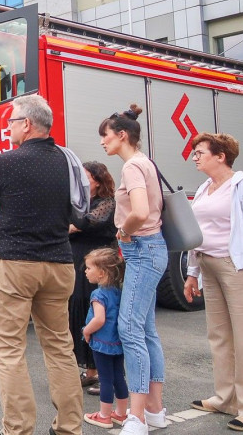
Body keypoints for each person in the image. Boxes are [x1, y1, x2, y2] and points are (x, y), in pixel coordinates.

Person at [0, 94, 83, 435]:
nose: (8, 128)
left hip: (15, 265)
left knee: (8, 350)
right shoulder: (68, 160)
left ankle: (18, 430)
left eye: (11, 121)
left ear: (27, 124)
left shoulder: (6, 162)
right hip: (60, 263)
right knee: (60, 347)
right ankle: (70, 427)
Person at [184, 132, 243, 432]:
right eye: (194, 151)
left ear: (221, 156)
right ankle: (226, 398)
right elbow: (197, 231)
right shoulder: (206, 187)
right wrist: (192, 272)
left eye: (200, 151)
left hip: (237, 267)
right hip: (209, 264)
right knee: (219, 335)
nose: (195, 156)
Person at [99, 104, 167, 435]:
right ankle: (153, 409)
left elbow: (139, 211)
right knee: (146, 330)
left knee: (129, 330)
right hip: (152, 249)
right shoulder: (144, 163)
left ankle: (137, 418)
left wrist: (123, 232)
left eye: (106, 136)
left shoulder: (131, 168)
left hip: (141, 249)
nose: (102, 142)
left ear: (122, 135)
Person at [68, 161, 117, 394]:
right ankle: (90, 371)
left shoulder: (106, 203)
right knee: (77, 310)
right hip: (78, 265)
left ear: (97, 180)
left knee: (96, 313)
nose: (81, 180)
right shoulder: (80, 203)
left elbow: (87, 222)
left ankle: (103, 371)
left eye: (86, 176)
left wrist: (74, 225)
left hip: (98, 268)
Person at [82, 247, 129, 429]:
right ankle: (121, 413)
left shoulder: (98, 294)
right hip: (117, 342)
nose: (86, 271)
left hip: (102, 343)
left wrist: (87, 330)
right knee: (118, 377)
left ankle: (104, 415)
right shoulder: (117, 291)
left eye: (89, 268)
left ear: (101, 273)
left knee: (106, 379)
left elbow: (99, 319)